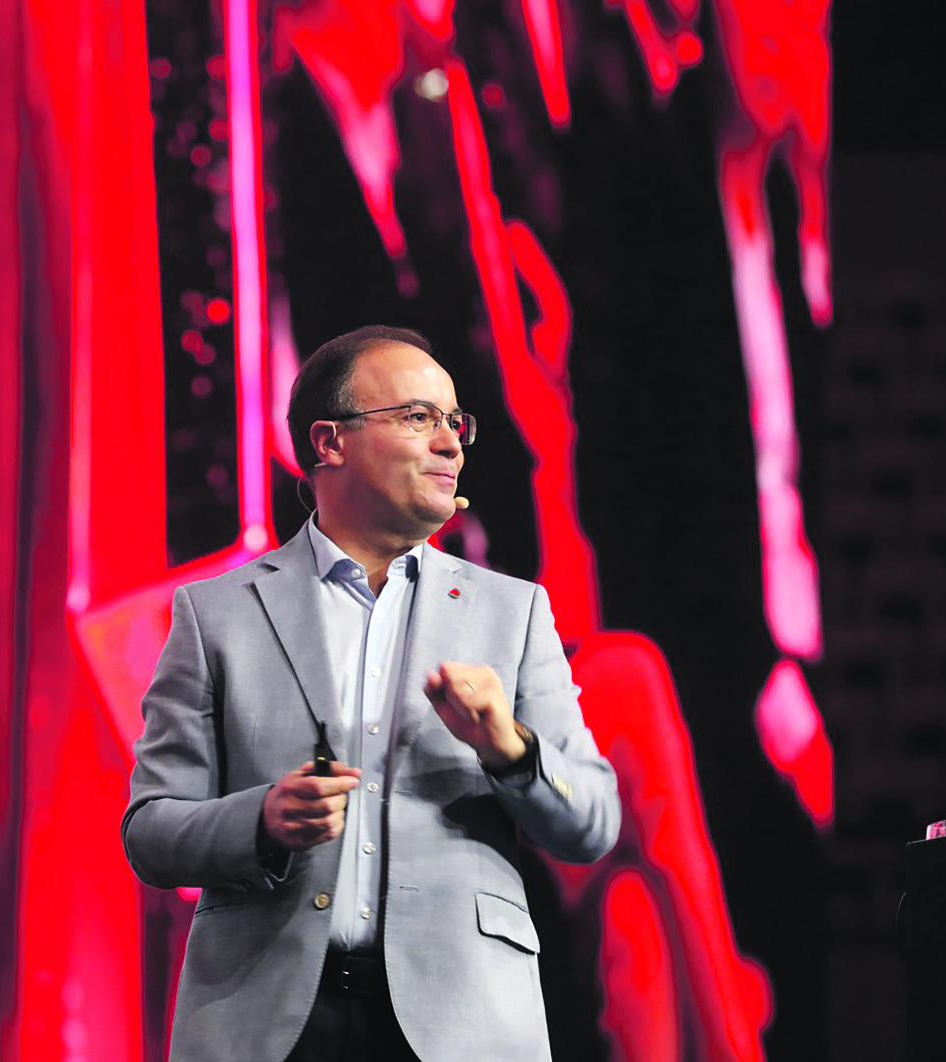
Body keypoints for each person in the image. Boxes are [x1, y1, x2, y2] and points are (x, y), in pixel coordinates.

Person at [122, 325, 620, 1061]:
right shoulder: (216, 613)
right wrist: (258, 820)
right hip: (272, 1020)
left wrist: (507, 748)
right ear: (330, 442)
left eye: (456, 422)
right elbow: (152, 832)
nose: (449, 442)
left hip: (459, 1021)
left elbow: (593, 824)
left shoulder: (514, 612)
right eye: (419, 417)